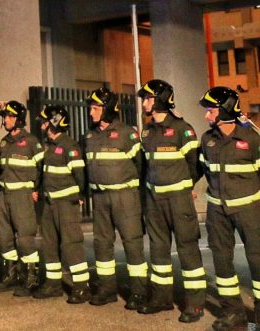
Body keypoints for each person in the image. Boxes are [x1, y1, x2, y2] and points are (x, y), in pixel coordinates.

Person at [137, 79, 205, 322]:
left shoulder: (182, 129)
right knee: (158, 250)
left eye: (148, 98)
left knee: (187, 249)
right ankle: (161, 298)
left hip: (178, 200)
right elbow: (144, 167)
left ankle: (195, 304)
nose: (144, 102)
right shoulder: (147, 131)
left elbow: (195, 166)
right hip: (154, 200)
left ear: (161, 99)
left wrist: (185, 187)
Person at [197, 86, 260, 331]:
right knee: (222, 264)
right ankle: (233, 314)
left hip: (250, 210)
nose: (206, 116)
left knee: (257, 261)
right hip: (217, 213)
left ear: (223, 111)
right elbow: (200, 169)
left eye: (210, 110)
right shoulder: (207, 139)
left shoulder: (252, 139)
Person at [82, 87, 147, 308]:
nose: (91, 112)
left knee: (132, 243)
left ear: (108, 109)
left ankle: (138, 292)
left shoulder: (128, 134)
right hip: (99, 198)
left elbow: (141, 166)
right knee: (101, 244)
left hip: (124, 196)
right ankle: (107, 289)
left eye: (95, 108)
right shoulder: (90, 135)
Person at [34, 106, 90, 304]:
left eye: (45, 120)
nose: (42, 124)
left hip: (66, 204)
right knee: (49, 245)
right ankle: (53, 284)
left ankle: (82, 287)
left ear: (54, 122)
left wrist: (80, 196)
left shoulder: (70, 146)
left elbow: (80, 177)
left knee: (71, 244)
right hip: (50, 203)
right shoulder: (49, 145)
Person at [0, 101, 43, 296]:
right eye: (4, 116)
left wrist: (36, 189)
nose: (6, 120)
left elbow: (42, 169)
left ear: (19, 119)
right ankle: (12, 274)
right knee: (4, 237)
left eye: (10, 116)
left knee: (25, 238)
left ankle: (31, 277)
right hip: (4, 195)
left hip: (22, 196)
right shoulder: (5, 141)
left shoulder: (32, 142)